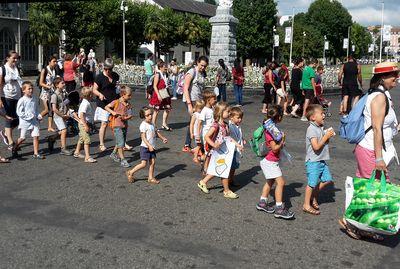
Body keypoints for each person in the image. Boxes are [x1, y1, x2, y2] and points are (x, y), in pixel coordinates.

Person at [339, 62, 399, 241]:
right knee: (370, 189)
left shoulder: (381, 94)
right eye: (393, 75)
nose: (396, 78)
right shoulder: (379, 97)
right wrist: (379, 158)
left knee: (370, 188)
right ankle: (350, 221)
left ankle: (365, 225)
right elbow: (376, 128)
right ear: (382, 78)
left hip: (372, 149)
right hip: (371, 150)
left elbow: (385, 126)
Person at [256, 105, 295, 219]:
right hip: (270, 161)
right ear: (279, 117)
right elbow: (274, 148)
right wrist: (282, 141)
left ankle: (262, 203)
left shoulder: (271, 129)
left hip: (269, 160)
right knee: (281, 183)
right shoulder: (270, 131)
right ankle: (279, 208)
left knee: (270, 182)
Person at [197, 102, 242, 199]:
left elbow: (228, 137)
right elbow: (206, 136)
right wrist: (214, 145)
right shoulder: (216, 125)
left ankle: (203, 182)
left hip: (224, 151)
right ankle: (226, 191)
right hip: (217, 152)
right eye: (227, 111)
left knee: (218, 169)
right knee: (223, 170)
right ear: (221, 112)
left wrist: (237, 144)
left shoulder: (225, 125)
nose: (229, 113)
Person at [303, 104, 335, 215]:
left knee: (327, 179)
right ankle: (306, 204)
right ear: (313, 117)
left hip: (321, 159)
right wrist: (325, 137)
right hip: (313, 161)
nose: (324, 115)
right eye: (321, 114)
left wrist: (327, 137)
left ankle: (313, 196)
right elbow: (316, 146)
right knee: (311, 183)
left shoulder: (319, 128)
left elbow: (323, 143)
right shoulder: (311, 129)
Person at [126, 106, 168, 184]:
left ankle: (150, 178)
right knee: (143, 164)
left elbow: (156, 132)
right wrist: (149, 145)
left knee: (152, 162)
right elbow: (143, 138)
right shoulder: (143, 125)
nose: (150, 116)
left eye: (151, 114)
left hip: (152, 147)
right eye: (147, 115)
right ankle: (131, 172)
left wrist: (163, 138)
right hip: (145, 147)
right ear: (143, 116)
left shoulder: (152, 124)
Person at [92, 58, 119, 152]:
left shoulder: (115, 75)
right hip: (103, 103)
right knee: (104, 124)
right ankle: (101, 144)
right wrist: (99, 94)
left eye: (110, 69)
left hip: (114, 102)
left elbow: (117, 86)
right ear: (104, 68)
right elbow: (94, 89)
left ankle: (121, 143)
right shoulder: (99, 77)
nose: (108, 71)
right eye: (107, 69)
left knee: (117, 124)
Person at [182, 56, 208, 152]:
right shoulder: (192, 72)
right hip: (191, 100)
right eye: (201, 65)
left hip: (199, 101)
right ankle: (189, 144)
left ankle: (192, 144)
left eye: (205, 66)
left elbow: (202, 89)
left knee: (196, 121)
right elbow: (185, 88)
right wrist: (189, 105)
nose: (203, 68)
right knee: (195, 121)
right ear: (197, 62)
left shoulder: (203, 73)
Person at [105, 86, 133, 168]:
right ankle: (123, 160)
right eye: (129, 95)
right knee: (121, 143)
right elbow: (106, 107)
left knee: (121, 141)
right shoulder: (116, 102)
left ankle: (113, 154)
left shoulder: (127, 103)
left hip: (124, 124)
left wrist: (128, 116)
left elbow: (129, 112)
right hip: (117, 125)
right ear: (123, 94)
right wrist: (112, 112)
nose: (130, 97)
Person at [15, 81, 44, 159]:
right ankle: (14, 147)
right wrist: (28, 116)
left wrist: (38, 115)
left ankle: (36, 153)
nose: (31, 90)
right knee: (22, 138)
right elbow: (19, 112)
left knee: (36, 136)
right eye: (29, 89)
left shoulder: (34, 98)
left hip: (34, 121)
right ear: (23, 90)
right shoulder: (22, 100)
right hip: (25, 122)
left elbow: (36, 110)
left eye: (32, 88)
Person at [0, 51, 23, 150]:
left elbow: (19, 83)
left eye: (17, 58)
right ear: (7, 58)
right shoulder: (3, 69)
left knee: (18, 119)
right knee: (9, 118)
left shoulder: (16, 68)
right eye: (14, 58)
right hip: (6, 96)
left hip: (17, 96)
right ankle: (10, 142)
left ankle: (5, 133)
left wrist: (23, 96)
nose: (16, 60)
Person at [48, 77, 73, 156]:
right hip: (58, 116)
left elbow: (66, 103)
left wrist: (68, 112)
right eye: (62, 83)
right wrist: (62, 116)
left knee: (62, 131)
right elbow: (54, 109)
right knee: (64, 130)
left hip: (64, 115)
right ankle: (63, 149)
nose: (64, 84)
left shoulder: (64, 93)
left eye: (64, 83)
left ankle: (52, 139)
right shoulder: (54, 95)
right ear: (56, 85)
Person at [74, 87, 96, 163]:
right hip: (83, 124)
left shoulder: (86, 102)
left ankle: (76, 152)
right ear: (89, 95)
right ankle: (87, 157)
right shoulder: (85, 104)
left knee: (82, 138)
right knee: (87, 140)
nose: (93, 95)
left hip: (84, 123)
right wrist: (85, 125)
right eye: (92, 94)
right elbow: (81, 115)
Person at [149, 60, 172, 131]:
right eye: (165, 67)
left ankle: (164, 123)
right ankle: (153, 125)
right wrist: (158, 95)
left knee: (167, 108)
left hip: (165, 94)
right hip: (158, 94)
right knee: (156, 110)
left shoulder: (165, 74)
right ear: (160, 67)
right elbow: (155, 86)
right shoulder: (158, 74)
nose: (166, 68)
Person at [39, 56, 58, 132]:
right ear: (49, 62)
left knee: (51, 110)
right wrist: (48, 86)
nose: (55, 63)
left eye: (56, 61)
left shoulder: (54, 70)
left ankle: (50, 126)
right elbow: (41, 83)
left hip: (52, 92)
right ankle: (36, 119)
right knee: (47, 110)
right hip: (45, 93)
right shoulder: (45, 70)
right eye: (54, 61)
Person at [228, 106, 245, 187]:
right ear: (231, 117)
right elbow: (229, 137)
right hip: (231, 149)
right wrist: (237, 144)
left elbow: (239, 134)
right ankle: (227, 181)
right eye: (238, 118)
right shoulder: (229, 126)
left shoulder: (237, 125)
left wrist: (243, 139)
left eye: (241, 118)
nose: (240, 119)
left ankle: (231, 179)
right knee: (230, 166)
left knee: (234, 166)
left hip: (236, 149)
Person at [190, 100, 205, 164]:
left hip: (202, 132)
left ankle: (200, 155)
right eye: (200, 108)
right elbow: (191, 124)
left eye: (202, 108)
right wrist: (191, 133)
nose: (201, 110)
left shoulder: (203, 114)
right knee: (199, 145)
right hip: (197, 133)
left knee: (202, 146)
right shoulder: (195, 114)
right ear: (196, 108)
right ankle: (195, 156)